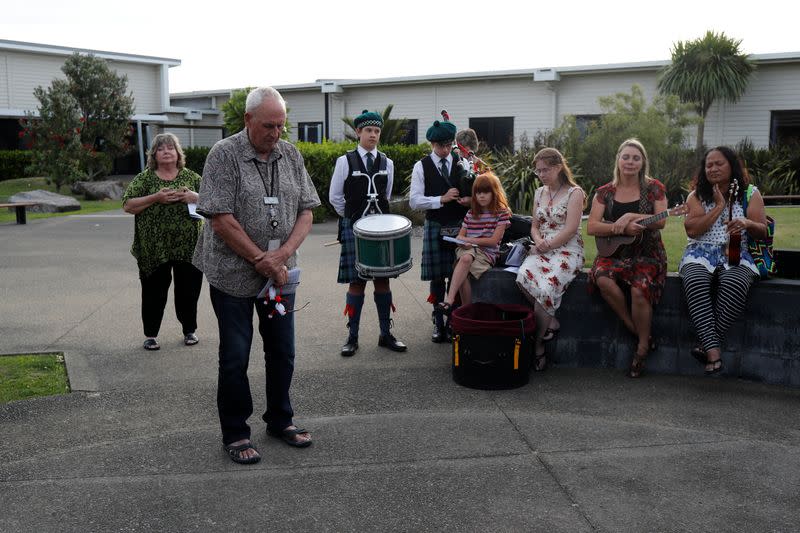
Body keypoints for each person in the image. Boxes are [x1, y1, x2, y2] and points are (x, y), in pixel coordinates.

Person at [193, 87, 321, 464]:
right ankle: (235, 431)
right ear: (248, 120)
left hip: (280, 275)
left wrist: (280, 256)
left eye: (281, 125)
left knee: (283, 351)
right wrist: (259, 258)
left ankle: (281, 419)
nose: (276, 133)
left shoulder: (290, 154)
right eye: (268, 125)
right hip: (232, 274)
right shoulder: (224, 155)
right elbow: (220, 219)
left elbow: (307, 212)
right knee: (235, 355)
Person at [679, 146, 768, 375]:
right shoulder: (696, 196)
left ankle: (707, 345)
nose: (713, 168)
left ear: (732, 165)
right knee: (695, 281)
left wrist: (747, 223)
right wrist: (719, 206)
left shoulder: (750, 193)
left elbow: (763, 230)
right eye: (709, 165)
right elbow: (693, 230)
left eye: (719, 163)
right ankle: (714, 351)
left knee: (735, 283)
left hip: (737, 251)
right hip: (701, 251)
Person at [586, 138, 668, 378]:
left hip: (647, 253)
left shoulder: (654, 188)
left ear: (643, 162)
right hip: (614, 252)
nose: (630, 162)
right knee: (602, 278)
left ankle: (642, 348)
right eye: (626, 157)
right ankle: (637, 330)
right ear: (618, 160)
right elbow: (592, 226)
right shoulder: (604, 192)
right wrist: (619, 229)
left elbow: (662, 219)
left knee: (639, 289)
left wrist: (632, 216)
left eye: (636, 158)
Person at [329, 109, 407, 357]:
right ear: (358, 132)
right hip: (354, 227)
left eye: (377, 131)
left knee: (382, 280)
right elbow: (335, 197)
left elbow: (386, 196)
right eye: (369, 131)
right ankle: (352, 336)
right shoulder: (345, 161)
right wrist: (352, 219)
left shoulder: (388, 162)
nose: (373, 135)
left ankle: (385, 334)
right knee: (356, 282)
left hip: (381, 231)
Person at [122, 133, 203, 351]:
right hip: (153, 248)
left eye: (170, 148)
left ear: (178, 153)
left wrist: (194, 197)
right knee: (153, 292)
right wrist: (155, 198)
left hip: (188, 247)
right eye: (161, 149)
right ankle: (150, 335)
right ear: (154, 155)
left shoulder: (192, 177)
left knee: (188, 291)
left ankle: (189, 331)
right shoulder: (145, 178)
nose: (166, 151)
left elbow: (213, 201)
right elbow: (128, 205)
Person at [515, 148, 586, 371]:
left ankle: (537, 346)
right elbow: (534, 225)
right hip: (542, 247)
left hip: (567, 250)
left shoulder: (575, 193)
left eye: (545, 170)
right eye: (538, 171)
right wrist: (538, 241)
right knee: (522, 276)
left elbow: (571, 228)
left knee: (546, 289)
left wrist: (548, 244)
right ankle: (551, 322)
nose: (542, 175)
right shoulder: (539, 193)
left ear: (558, 167)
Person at [409, 118, 471, 342]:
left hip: (461, 225)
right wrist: (441, 199)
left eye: (447, 145)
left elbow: (476, 190)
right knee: (437, 278)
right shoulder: (421, 166)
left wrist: (469, 200)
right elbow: (414, 201)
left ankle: (455, 320)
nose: (445, 150)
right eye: (440, 146)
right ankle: (438, 321)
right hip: (436, 224)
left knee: (459, 274)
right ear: (432, 144)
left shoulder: (462, 162)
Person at [437, 172, 511, 313]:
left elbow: (494, 241)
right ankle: (453, 302)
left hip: (486, 252)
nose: (481, 196)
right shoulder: (471, 213)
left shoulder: (501, 213)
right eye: (478, 193)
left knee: (463, 271)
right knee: (465, 257)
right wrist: (461, 242)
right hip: (466, 249)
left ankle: (460, 306)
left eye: (486, 192)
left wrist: (468, 240)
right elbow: (460, 237)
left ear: (494, 192)